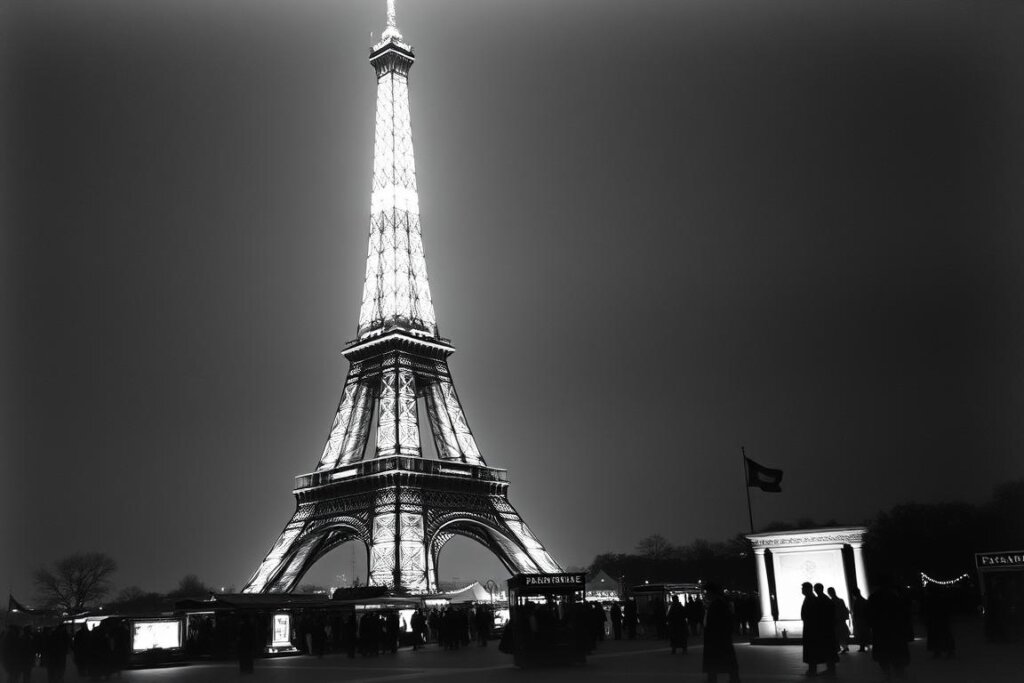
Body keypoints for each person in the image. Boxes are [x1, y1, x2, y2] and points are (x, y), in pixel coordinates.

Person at [868, 575, 912, 679]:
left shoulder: (874, 597)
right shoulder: (895, 596)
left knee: (884, 657)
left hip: (881, 631)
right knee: (897, 656)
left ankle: (888, 674)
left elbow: (870, 614)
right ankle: (898, 673)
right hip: (895, 631)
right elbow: (904, 614)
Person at [701, 583, 739, 683]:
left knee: (716, 659)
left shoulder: (716, 604)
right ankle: (732, 678)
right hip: (720, 638)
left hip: (717, 638)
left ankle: (713, 678)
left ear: (711, 593)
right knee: (725, 659)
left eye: (706, 592)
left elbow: (717, 622)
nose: (705, 595)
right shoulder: (720, 603)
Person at [800, 582, 837, 677]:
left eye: (803, 588)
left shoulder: (812, 599)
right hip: (812, 628)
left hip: (812, 629)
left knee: (812, 650)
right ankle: (814, 669)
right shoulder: (814, 599)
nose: (802, 590)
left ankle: (814, 670)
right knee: (814, 650)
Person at [924, 583, 955, 659]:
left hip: (937, 619)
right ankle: (942, 651)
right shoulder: (940, 597)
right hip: (940, 619)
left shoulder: (931, 598)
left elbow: (928, 609)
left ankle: (941, 651)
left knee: (939, 635)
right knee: (942, 635)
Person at [827, 587, 851, 654]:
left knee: (838, 635)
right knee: (842, 634)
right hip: (841, 620)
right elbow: (843, 610)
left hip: (835, 620)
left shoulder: (830, 601)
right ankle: (845, 647)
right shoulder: (840, 600)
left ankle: (843, 647)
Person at [849, 588, 870, 652]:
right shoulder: (864, 600)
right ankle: (864, 646)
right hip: (863, 620)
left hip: (859, 620)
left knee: (861, 634)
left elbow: (857, 612)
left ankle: (862, 647)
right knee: (863, 633)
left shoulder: (857, 601)